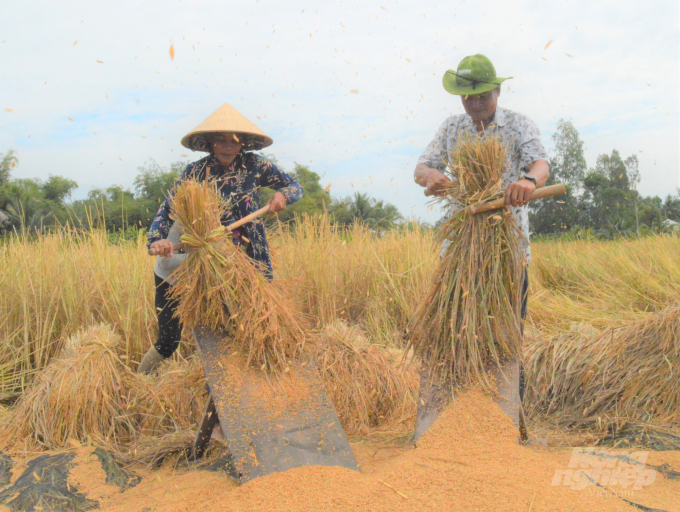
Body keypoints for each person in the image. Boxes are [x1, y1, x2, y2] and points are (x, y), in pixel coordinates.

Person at [413, 54, 550, 439]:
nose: (475, 104)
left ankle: (506, 427)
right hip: (462, 248)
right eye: (467, 97)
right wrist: (433, 176)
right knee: (455, 328)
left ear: (497, 91)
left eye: (482, 96)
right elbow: (420, 169)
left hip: (508, 248)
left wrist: (528, 181)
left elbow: (541, 162)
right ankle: (455, 422)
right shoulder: (452, 128)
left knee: (505, 333)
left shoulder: (518, 124)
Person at [138, 103, 303, 374]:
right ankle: (142, 381)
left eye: (234, 141)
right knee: (170, 340)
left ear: (242, 144)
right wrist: (157, 240)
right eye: (221, 140)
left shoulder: (256, 165)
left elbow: (294, 185)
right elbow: (167, 211)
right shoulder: (194, 172)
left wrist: (283, 195)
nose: (228, 146)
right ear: (210, 143)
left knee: (250, 322)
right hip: (205, 260)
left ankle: (257, 380)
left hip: (248, 256)